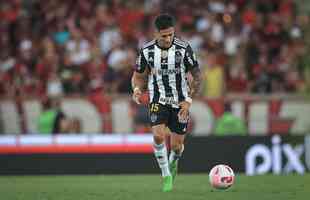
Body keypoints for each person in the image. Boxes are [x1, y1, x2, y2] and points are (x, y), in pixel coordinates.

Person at [131, 14, 202, 192]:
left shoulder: (184, 49)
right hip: (158, 99)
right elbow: (138, 76)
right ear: (156, 33)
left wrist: (188, 100)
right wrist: (137, 90)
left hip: (180, 101)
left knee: (177, 146)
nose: (168, 38)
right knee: (158, 136)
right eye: (164, 35)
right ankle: (166, 175)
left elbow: (198, 76)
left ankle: (174, 161)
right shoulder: (146, 51)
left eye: (171, 34)